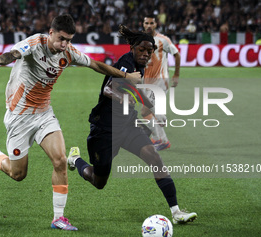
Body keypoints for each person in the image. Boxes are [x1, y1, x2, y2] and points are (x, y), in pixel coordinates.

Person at [0, 14, 141, 231]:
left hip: (44, 114)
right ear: (50, 33)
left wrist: (126, 77)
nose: (64, 44)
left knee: (60, 160)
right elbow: (12, 54)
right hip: (19, 116)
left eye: (69, 40)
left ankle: (59, 217)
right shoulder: (34, 44)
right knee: (18, 174)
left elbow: (96, 65)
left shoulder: (68, 52)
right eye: (61, 39)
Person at [67, 25, 197, 224]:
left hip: (128, 125)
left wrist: (154, 108)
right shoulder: (126, 63)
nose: (145, 54)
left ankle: (176, 212)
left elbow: (139, 90)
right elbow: (108, 90)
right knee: (98, 181)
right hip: (105, 129)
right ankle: (75, 160)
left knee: (155, 158)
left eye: (149, 51)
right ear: (133, 48)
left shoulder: (140, 65)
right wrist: (122, 98)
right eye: (142, 50)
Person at [141, 14, 181, 151]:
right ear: (143, 24)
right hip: (147, 80)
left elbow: (177, 54)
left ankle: (162, 126)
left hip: (160, 80)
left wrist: (176, 74)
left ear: (156, 25)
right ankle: (160, 138)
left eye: (151, 23)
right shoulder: (139, 41)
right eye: (146, 23)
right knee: (145, 112)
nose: (149, 26)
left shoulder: (163, 40)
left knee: (148, 108)